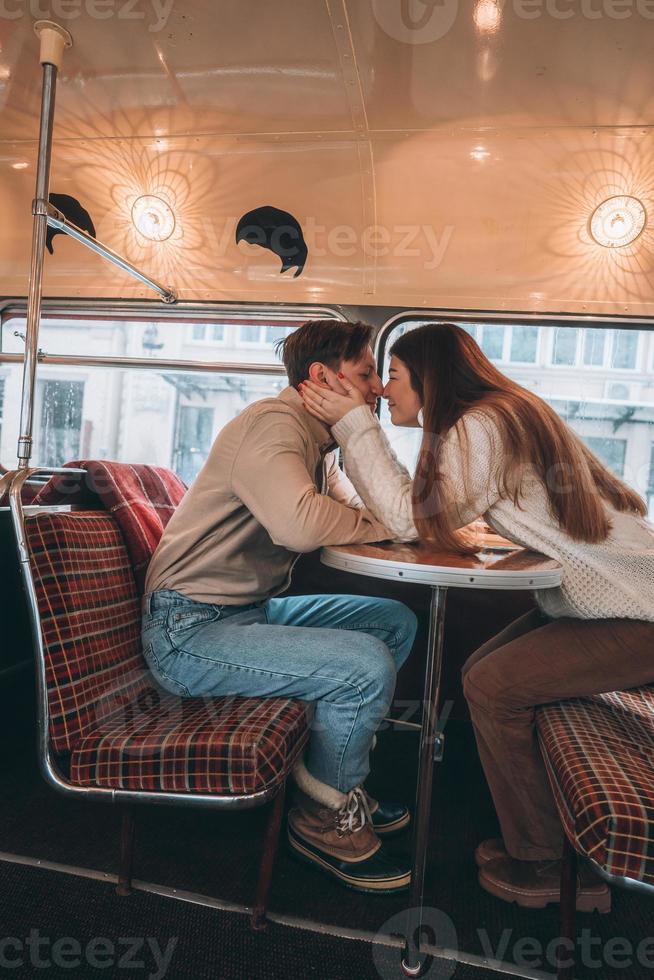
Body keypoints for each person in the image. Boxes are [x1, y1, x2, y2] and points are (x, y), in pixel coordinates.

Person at [300, 321, 654, 912]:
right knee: (480, 669)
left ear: (431, 380)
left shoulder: (483, 424)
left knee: (492, 686)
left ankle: (548, 864)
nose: (385, 391)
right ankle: (542, 843)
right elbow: (436, 511)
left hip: (636, 614)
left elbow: (411, 518)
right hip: (616, 603)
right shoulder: (501, 414)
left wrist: (352, 423)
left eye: (392, 375)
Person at [143, 319, 418, 893]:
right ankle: (323, 819)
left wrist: (363, 449)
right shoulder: (274, 424)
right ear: (322, 376)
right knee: (365, 666)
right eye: (367, 374)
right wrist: (380, 520)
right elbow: (302, 526)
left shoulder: (320, 443)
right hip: (187, 632)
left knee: (392, 622)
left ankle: (330, 776)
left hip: (244, 613)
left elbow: (370, 516)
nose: (378, 390)